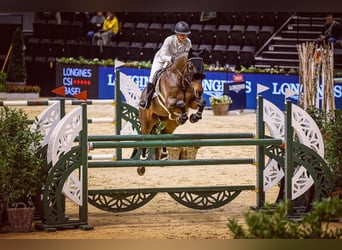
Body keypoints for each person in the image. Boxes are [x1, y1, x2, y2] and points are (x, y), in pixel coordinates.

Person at [139, 21, 192, 109]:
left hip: (176, 63)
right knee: (153, 77)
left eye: (185, 34)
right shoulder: (169, 40)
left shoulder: (188, 42)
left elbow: (188, 55)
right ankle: (146, 100)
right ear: (176, 33)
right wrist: (171, 59)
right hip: (162, 60)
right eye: (181, 34)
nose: (183, 36)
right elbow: (163, 55)